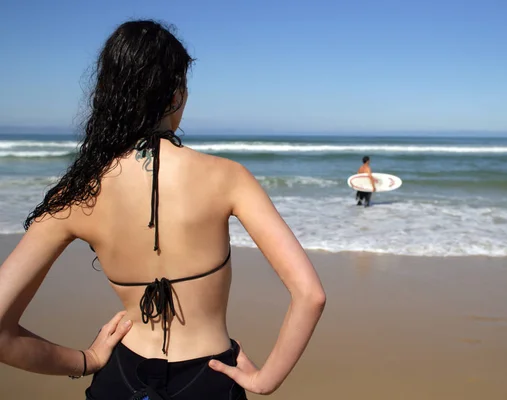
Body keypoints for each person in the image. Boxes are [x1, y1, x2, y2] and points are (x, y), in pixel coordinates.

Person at [0, 20, 325, 400]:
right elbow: (310, 294)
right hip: (209, 380)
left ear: (107, 93)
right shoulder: (228, 177)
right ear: (176, 96)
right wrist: (265, 380)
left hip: (120, 377)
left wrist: (86, 360)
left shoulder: (78, 194)